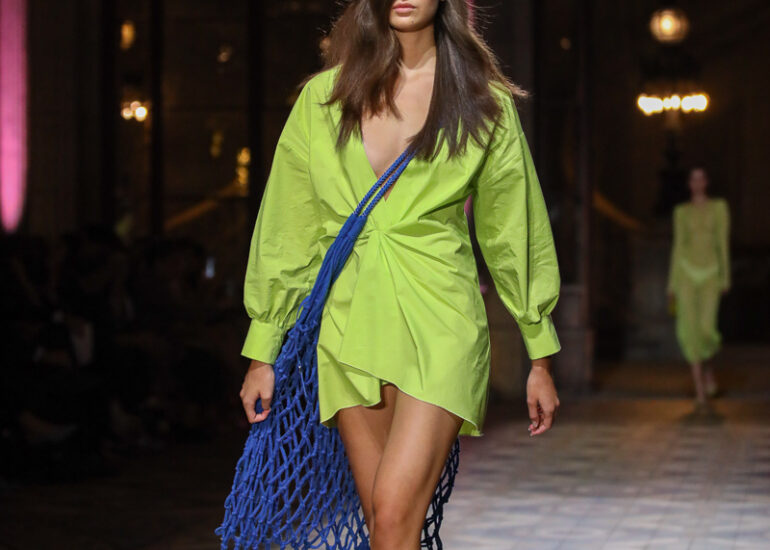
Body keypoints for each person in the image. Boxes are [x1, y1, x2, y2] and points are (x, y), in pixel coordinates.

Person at [237, 1, 561, 547]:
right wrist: (262, 349)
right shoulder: (324, 98)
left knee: (392, 514)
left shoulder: (483, 101)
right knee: (384, 525)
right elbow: (289, 226)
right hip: (349, 324)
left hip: (442, 321)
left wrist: (540, 353)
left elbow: (513, 228)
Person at [667, 166, 730, 411]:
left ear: (707, 181)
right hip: (686, 274)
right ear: (689, 183)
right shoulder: (681, 212)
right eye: (693, 178)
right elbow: (678, 246)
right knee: (689, 330)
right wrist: (672, 283)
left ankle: (709, 368)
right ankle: (700, 391)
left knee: (707, 329)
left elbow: (722, 242)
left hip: (711, 273)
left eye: (701, 178)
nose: (697, 182)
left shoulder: (719, 208)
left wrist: (725, 277)